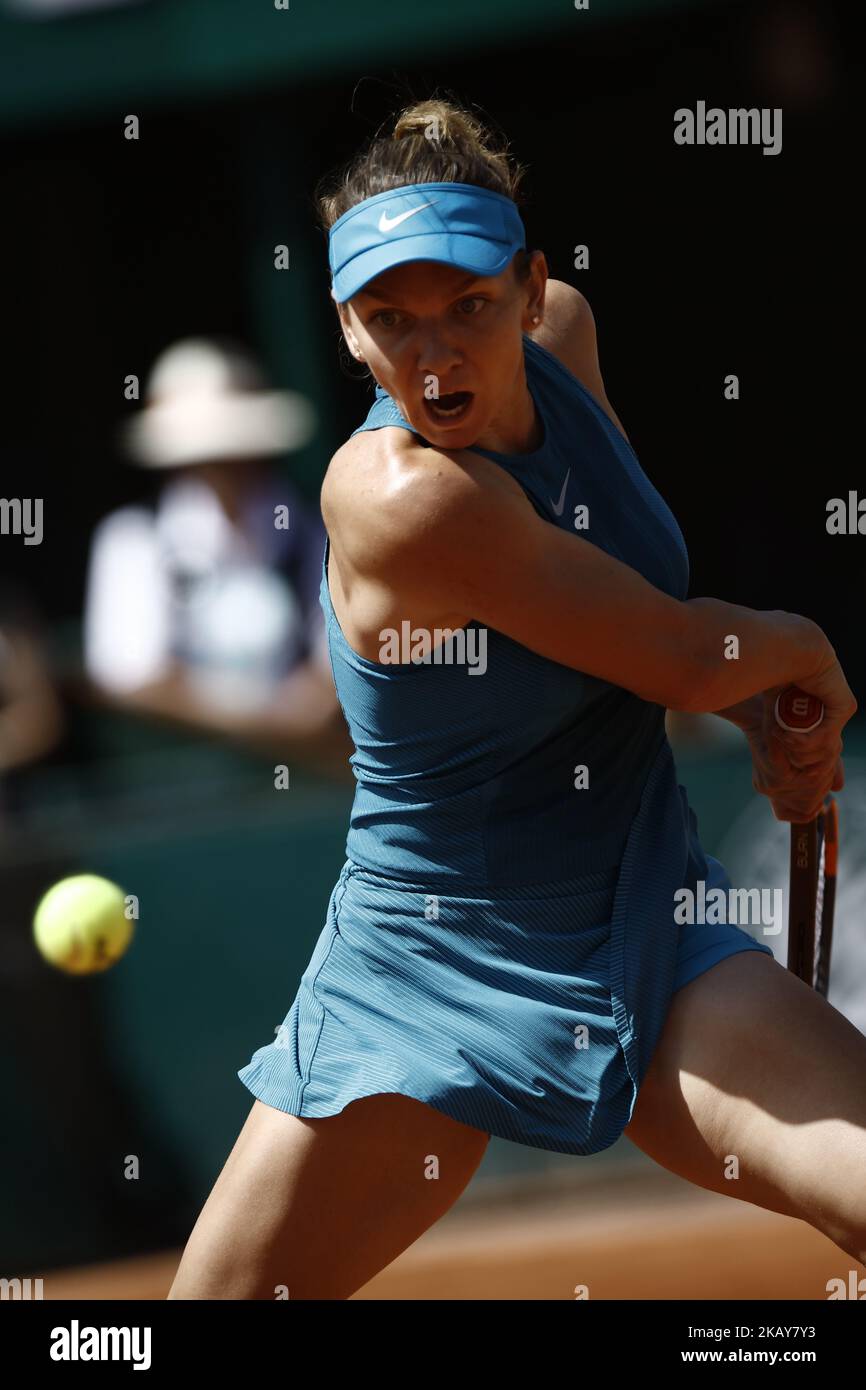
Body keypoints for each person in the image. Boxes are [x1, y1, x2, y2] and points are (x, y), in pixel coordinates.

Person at [169, 99, 863, 1300]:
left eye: (469, 308)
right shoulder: (396, 498)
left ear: (534, 291)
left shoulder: (572, 348)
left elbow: (621, 630)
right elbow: (686, 659)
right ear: (344, 330)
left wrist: (763, 714)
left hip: (647, 920)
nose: (433, 355)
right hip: (419, 974)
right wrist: (795, 656)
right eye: (390, 320)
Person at [83, 337, 351, 777]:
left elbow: (335, 664)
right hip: (180, 790)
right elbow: (130, 677)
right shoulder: (132, 538)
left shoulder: (314, 531)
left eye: (234, 448)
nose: (224, 466)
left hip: (306, 786)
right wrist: (263, 721)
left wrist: (304, 711)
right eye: (206, 454)